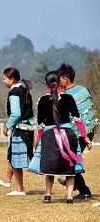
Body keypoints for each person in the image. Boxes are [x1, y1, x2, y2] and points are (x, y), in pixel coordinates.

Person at [28, 71, 92, 204]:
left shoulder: (43, 100)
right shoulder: (69, 98)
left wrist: (39, 142)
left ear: (46, 83)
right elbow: (77, 120)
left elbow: (40, 125)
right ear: (59, 82)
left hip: (50, 136)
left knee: (50, 167)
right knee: (69, 167)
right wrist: (85, 137)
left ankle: (47, 195)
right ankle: (69, 198)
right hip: (68, 135)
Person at [57, 63, 98, 200]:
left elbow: (71, 117)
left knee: (70, 162)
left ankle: (83, 190)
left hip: (78, 133)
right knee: (70, 160)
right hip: (89, 130)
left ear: (66, 79)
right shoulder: (84, 89)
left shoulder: (66, 96)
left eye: (60, 78)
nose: (58, 81)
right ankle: (72, 181)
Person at [1, 67, 35, 196]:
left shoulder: (14, 93)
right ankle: (7, 180)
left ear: (12, 80)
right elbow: (32, 108)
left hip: (20, 129)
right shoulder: (24, 89)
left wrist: (7, 126)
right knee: (14, 156)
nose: (3, 81)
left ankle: (20, 189)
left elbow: (15, 114)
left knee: (16, 159)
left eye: (5, 79)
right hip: (28, 127)